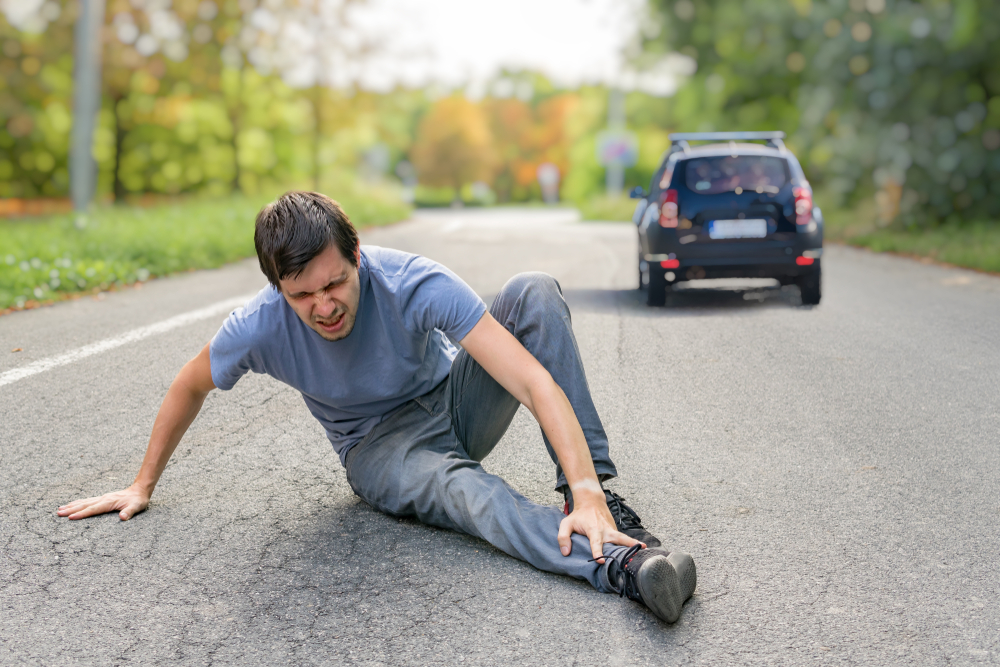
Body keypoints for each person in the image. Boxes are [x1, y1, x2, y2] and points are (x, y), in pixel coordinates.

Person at [58, 191, 696, 623]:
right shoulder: (257, 326)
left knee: (532, 291)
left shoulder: (414, 282)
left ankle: (601, 508)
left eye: (335, 282)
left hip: (454, 404)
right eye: (302, 295)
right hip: (381, 448)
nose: (324, 306)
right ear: (277, 287)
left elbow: (530, 380)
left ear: (357, 255)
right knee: (472, 495)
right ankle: (623, 564)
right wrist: (142, 484)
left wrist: (583, 488)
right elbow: (189, 384)